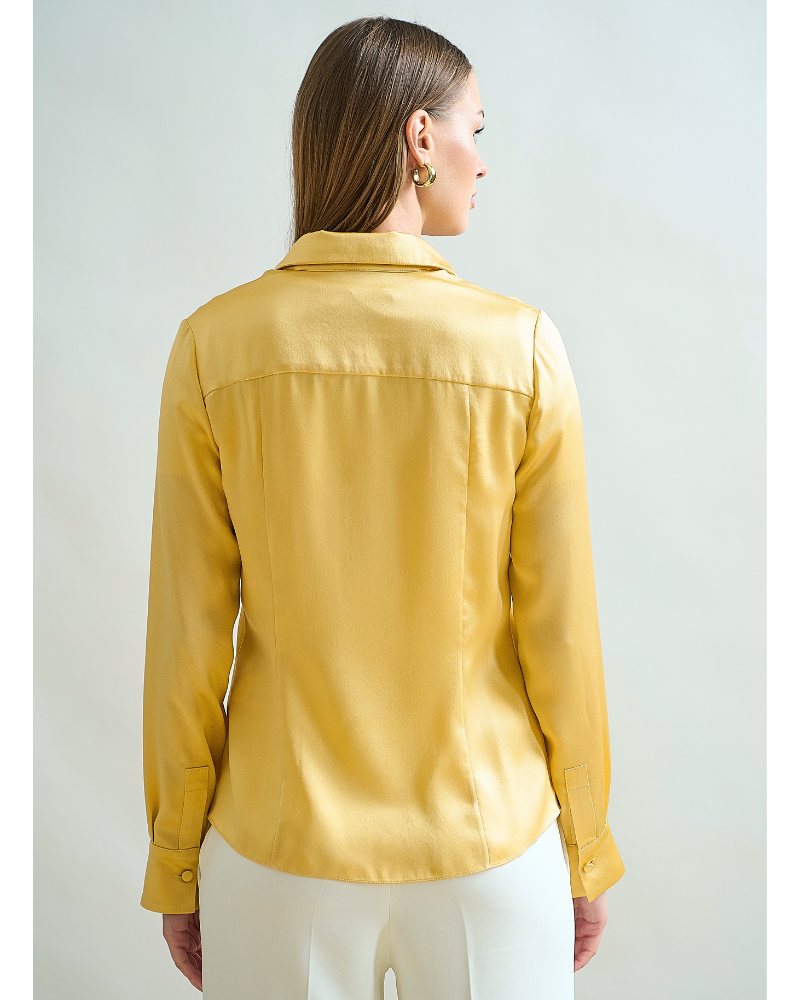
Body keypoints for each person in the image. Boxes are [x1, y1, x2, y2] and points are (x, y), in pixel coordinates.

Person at [140, 15, 625, 999]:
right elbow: (561, 633)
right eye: (475, 130)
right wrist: (584, 847)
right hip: (489, 846)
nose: (481, 161)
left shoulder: (214, 346)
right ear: (419, 137)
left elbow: (187, 639)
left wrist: (178, 860)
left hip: (276, 853)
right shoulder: (520, 348)